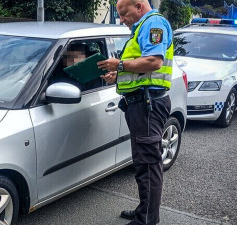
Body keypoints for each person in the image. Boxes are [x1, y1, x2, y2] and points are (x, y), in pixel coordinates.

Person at [97, 0, 173, 224]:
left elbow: (153, 62)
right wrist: (117, 75)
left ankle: (147, 220)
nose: (121, 19)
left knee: (148, 165)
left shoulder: (154, 23)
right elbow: (139, 67)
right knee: (142, 163)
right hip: (141, 104)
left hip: (148, 105)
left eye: (123, 13)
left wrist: (118, 65)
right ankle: (144, 211)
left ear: (139, 7)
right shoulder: (142, 27)